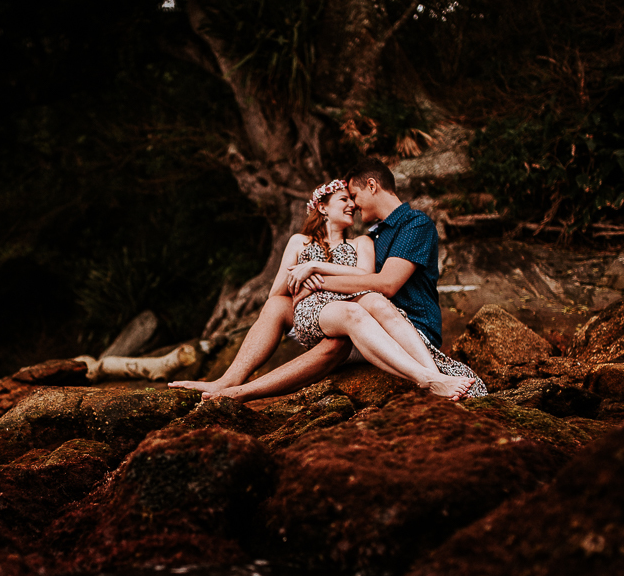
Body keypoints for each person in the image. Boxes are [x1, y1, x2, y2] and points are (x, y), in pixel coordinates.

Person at [171, 158, 486, 402]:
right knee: (289, 308)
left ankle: (431, 378)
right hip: (355, 318)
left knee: (358, 315)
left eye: (355, 195)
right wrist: (299, 285)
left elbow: (381, 283)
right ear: (321, 208)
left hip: (408, 326)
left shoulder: (411, 225)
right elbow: (282, 293)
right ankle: (229, 384)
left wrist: (317, 276)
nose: (353, 203)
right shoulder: (371, 235)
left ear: (373, 186)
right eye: (344, 199)